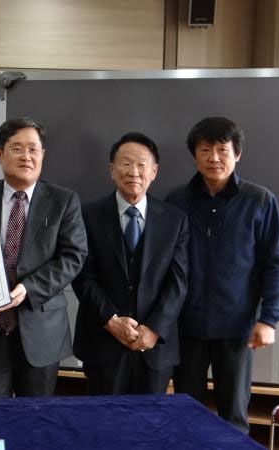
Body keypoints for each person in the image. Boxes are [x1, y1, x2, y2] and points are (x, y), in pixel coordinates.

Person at [0, 117, 87, 397]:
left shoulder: (64, 201)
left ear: (42, 155)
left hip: (42, 329)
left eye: (33, 149)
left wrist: (28, 288)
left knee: (36, 417)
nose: (26, 156)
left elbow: (73, 257)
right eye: (17, 149)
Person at [167, 117, 279, 433]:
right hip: (186, 327)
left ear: (237, 154)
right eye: (205, 150)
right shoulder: (176, 201)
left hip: (237, 327)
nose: (214, 158)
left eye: (222, 150)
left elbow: (275, 263)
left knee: (234, 417)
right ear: (195, 155)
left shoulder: (259, 200)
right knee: (185, 414)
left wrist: (268, 319)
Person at [72, 132, 188, 395]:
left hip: (155, 347)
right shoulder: (87, 215)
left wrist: (154, 329)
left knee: (150, 419)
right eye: (125, 163)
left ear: (154, 171)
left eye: (141, 164)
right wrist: (111, 321)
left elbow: (178, 282)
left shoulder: (175, 220)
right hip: (102, 342)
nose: (133, 172)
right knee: (104, 417)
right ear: (112, 170)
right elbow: (82, 276)